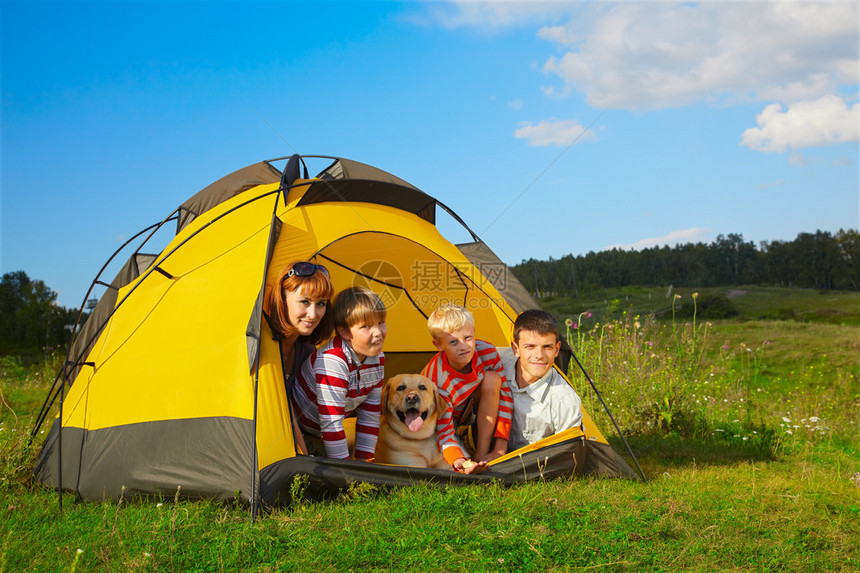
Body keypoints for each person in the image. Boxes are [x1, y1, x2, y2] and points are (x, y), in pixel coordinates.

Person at [292, 286, 387, 460]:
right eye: (366, 326)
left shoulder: (377, 358)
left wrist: (364, 464)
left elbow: (370, 415)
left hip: (322, 429)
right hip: (298, 430)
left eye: (381, 322)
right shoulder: (333, 360)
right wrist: (345, 473)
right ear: (344, 331)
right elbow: (331, 423)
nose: (378, 332)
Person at [421, 304, 513, 474]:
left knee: (493, 379)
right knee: (446, 456)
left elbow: (505, 395)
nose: (463, 346)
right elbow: (443, 430)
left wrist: (500, 447)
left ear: (474, 332)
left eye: (468, 338)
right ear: (438, 345)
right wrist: (460, 461)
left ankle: (482, 453)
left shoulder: (487, 352)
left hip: (464, 410)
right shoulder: (437, 381)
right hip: (434, 422)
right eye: (453, 342)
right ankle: (465, 461)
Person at [264, 261, 334, 456]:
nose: (313, 314)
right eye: (304, 302)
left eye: (321, 304)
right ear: (282, 298)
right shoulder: (262, 345)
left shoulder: (306, 351)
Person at [500, 310, 583, 452]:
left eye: (547, 347)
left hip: (531, 463)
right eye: (530, 347)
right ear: (516, 349)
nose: (539, 355)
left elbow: (567, 454)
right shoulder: (496, 362)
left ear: (557, 350)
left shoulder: (565, 400)